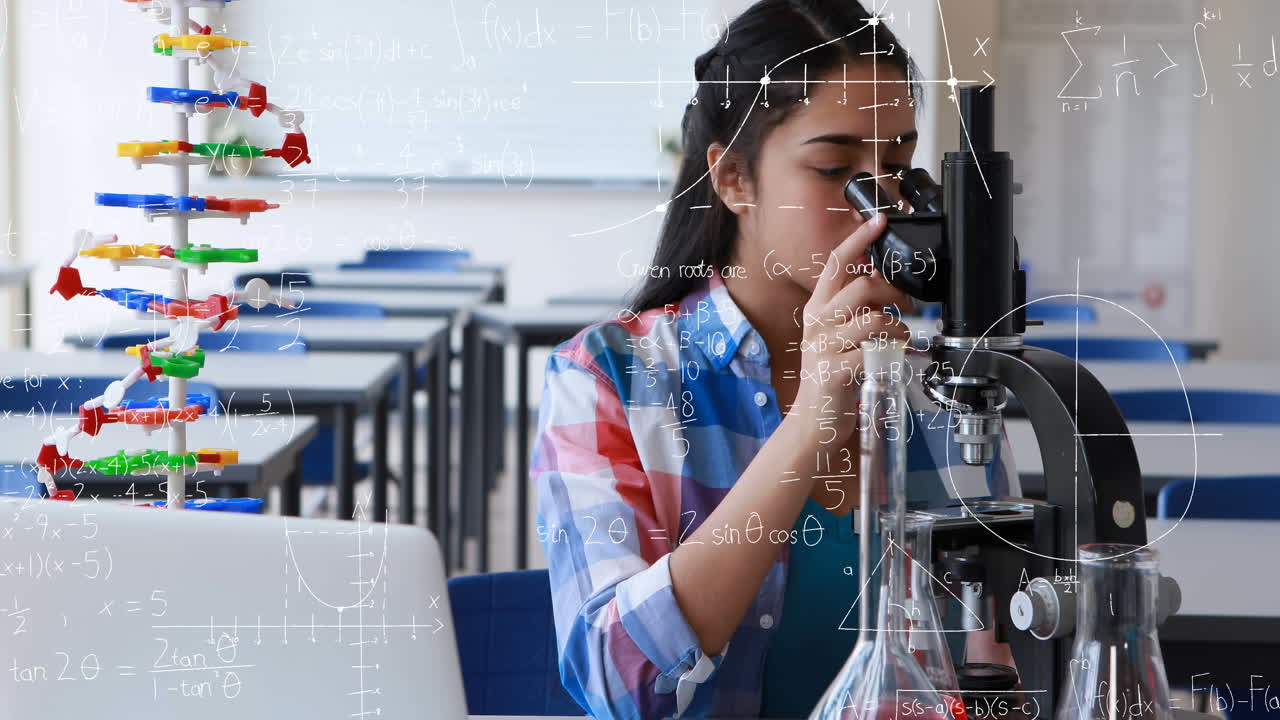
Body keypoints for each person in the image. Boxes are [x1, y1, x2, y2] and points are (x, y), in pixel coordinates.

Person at [532, 1, 1018, 718]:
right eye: (833, 168)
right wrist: (812, 419)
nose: (880, 207)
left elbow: (997, 660)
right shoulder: (607, 376)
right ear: (733, 179)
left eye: (899, 163)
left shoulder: (941, 383)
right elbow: (619, 680)